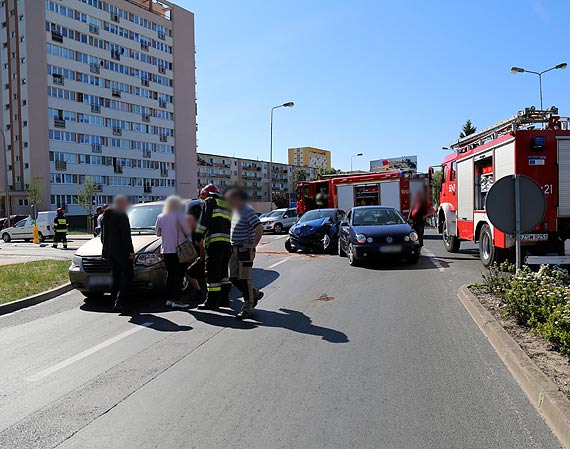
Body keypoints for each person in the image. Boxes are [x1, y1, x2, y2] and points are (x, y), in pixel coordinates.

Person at [225, 186, 264, 320]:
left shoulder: (246, 210)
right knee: (233, 277)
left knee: (244, 279)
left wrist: (253, 244)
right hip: (234, 249)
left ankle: (248, 307)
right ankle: (254, 293)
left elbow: (259, 227)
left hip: (244, 250)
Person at [193, 184, 232, 310]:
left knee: (212, 273)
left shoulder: (209, 202)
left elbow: (204, 221)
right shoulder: (226, 204)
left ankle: (212, 302)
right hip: (226, 242)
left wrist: (197, 236)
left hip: (214, 243)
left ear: (206, 193)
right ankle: (224, 299)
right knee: (223, 273)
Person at [155, 195, 191, 309]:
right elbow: (187, 231)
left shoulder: (160, 217)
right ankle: (177, 299)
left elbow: (158, 233)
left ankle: (169, 299)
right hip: (178, 250)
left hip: (166, 250)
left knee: (170, 275)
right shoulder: (180, 216)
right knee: (179, 275)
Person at [101, 195, 134, 311]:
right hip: (122, 251)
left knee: (115, 276)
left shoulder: (106, 214)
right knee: (129, 274)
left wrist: (105, 249)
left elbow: (103, 235)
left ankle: (114, 301)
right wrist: (131, 252)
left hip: (109, 251)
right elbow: (126, 236)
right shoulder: (122, 215)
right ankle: (119, 302)